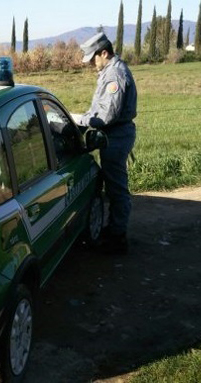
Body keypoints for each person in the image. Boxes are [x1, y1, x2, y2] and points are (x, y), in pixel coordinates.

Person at [77, 32, 137, 255]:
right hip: (114, 134)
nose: (92, 64)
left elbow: (106, 116)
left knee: (116, 188)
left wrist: (78, 120)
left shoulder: (115, 75)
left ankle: (117, 237)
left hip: (116, 136)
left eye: (93, 59)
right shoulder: (108, 71)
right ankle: (114, 230)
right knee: (113, 184)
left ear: (104, 53)